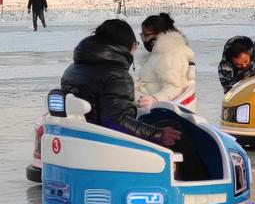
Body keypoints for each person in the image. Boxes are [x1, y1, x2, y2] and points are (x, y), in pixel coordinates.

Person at [60, 19, 181, 147]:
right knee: (173, 127)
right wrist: (158, 134)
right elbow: (116, 122)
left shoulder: (73, 69)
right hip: (104, 144)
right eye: (135, 44)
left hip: (82, 136)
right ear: (126, 46)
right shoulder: (115, 76)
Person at [135, 13, 195, 109]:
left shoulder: (170, 55)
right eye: (142, 35)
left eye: (146, 35)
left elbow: (174, 87)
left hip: (160, 111)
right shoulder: (157, 54)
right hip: (147, 106)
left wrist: (154, 99)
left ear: (159, 34)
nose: (143, 39)